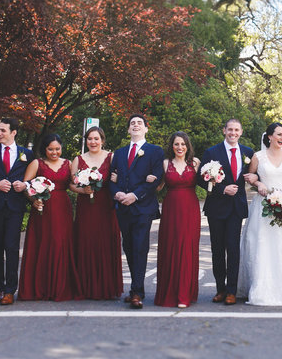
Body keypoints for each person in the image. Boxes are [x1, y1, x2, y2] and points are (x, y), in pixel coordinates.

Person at [238, 122, 282, 306]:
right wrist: (258, 183)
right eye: (279, 134)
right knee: (264, 244)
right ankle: (262, 287)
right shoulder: (258, 156)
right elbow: (250, 177)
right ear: (269, 136)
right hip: (264, 205)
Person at [197, 119, 254, 305]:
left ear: (241, 132)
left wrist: (254, 178)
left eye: (236, 130)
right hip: (216, 207)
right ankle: (220, 289)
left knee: (233, 249)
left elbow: (255, 174)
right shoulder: (212, 152)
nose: (233, 133)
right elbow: (201, 179)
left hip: (236, 208)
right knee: (217, 250)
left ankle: (232, 291)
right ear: (224, 131)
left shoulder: (248, 153)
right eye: (230, 129)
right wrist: (222, 189)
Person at [112, 114, 165, 309]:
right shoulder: (119, 153)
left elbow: (157, 178)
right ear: (128, 129)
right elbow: (112, 179)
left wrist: (135, 195)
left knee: (140, 247)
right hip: (123, 207)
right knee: (128, 247)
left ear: (146, 128)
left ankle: (136, 292)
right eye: (132, 123)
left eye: (139, 123)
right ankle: (136, 288)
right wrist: (117, 194)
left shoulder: (155, 151)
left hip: (143, 207)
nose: (136, 125)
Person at [18, 134, 76, 302]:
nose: (54, 152)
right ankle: (40, 286)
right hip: (42, 208)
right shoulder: (37, 163)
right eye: (50, 149)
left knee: (60, 243)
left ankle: (60, 286)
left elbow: (72, 184)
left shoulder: (68, 163)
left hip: (63, 208)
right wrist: (34, 200)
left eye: (57, 149)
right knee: (43, 243)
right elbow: (26, 186)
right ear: (45, 149)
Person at [0, 117, 30, 306]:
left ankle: (10, 290)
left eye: (3, 130)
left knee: (11, 248)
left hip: (15, 207)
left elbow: (34, 177)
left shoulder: (26, 154)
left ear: (13, 132)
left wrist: (24, 185)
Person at [70, 125, 122, 300]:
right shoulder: (78, 159)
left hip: (106, 206)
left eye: (96, 139)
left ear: (102, 140)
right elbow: (71, 184)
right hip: (86, 206)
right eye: (90, 139)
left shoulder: (111, 157)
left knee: (105, 243)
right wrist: (82, 190)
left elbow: (119, 178)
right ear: (86, 141)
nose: (93, 142)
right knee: (86, 242)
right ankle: (85, 287)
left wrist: (117, 179)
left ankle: (106, 287)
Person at [153, 132, 201, 308]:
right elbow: (158, 187)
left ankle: (185, 294)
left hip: (190, 209)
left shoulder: (195, 163)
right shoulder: (165, 163)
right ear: (172, 146)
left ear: (187, 146)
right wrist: (149, 179)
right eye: (176, 144)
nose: (180, 147)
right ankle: (170, 292)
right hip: (171, 209)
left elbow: (206, 183)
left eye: (183, 144)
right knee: (171, 247)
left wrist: (214, 178)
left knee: (187, 247)